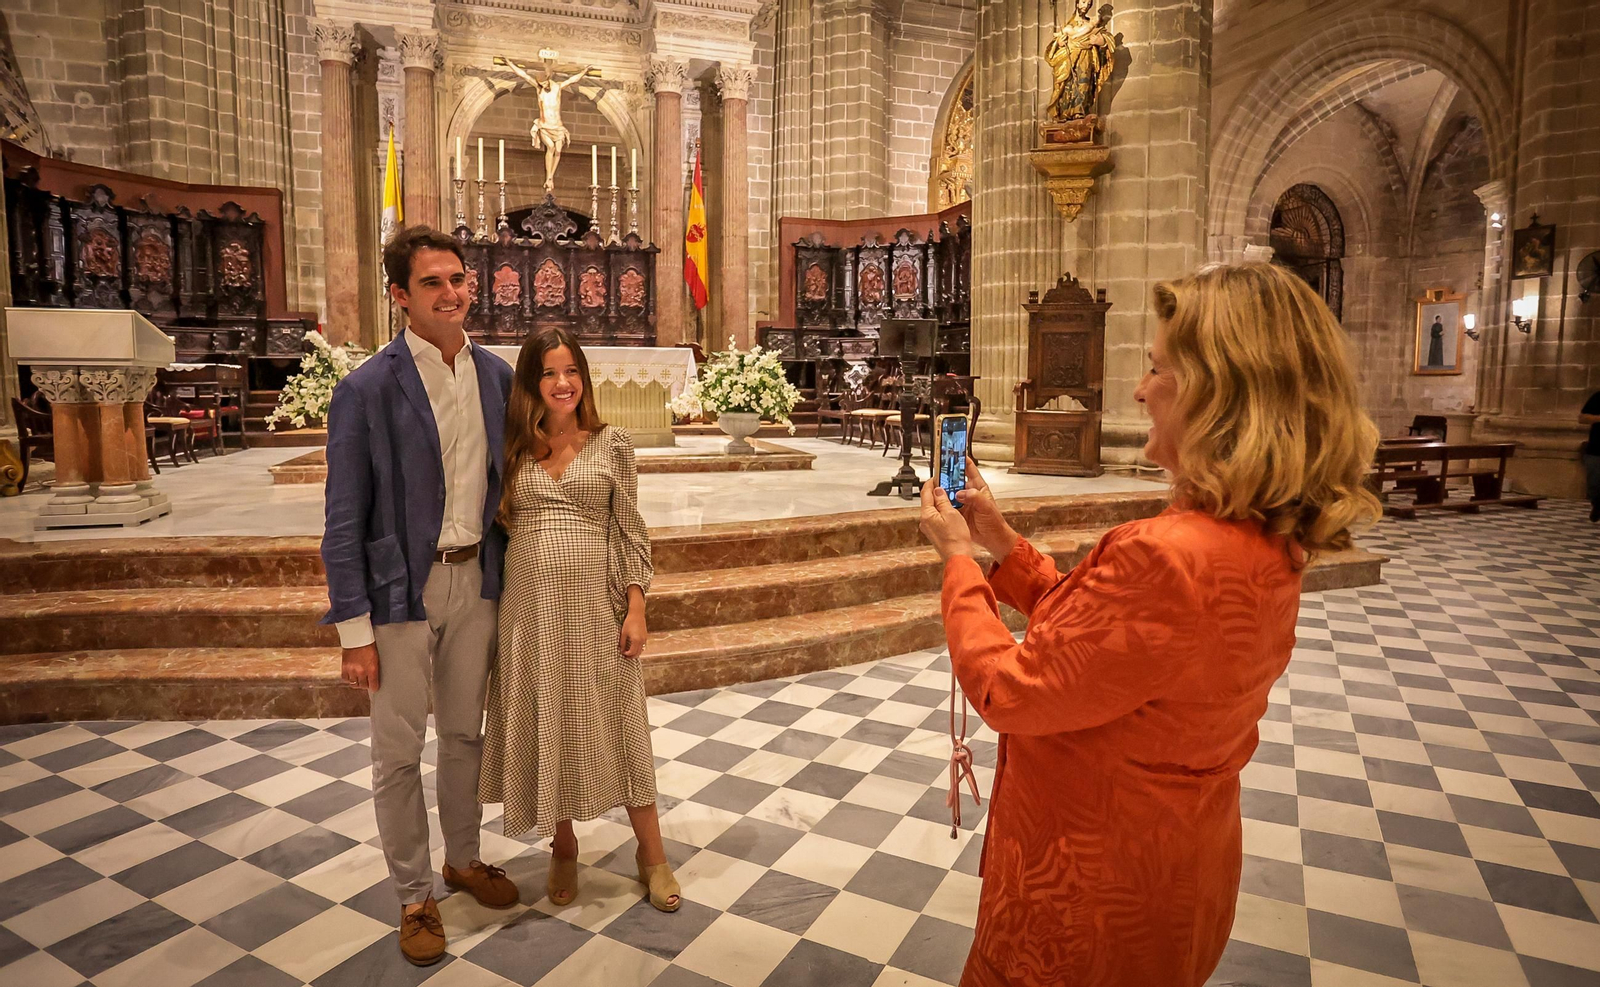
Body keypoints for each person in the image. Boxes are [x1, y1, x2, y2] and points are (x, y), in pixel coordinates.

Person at [918, 262, 1380, 987]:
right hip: (1178, 872)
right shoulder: (1266, 541)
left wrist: (957, 562)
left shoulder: (1165, 557)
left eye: (1158, 369)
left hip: (1089, 896)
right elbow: (1112, 648)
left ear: (1217, 393)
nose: (1138, 390)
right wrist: (1004, 545)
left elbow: (1009, 691)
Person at [321, 226, 520, 967]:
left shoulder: (497, 377)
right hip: (400, 588)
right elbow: (343, 518)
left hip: (477, 578)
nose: (452, 293)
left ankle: (462, 860)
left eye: (459, 279)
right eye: (433, 282)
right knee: (398, 751)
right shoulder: (367, 388)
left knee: (466, 733)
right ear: (400, 295)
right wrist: (353, 630)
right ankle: (413, 892)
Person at [478, 327, 681, 912]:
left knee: (620, 724)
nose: (562, 383)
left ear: (584, 378)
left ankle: (653, 855)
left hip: (596, 603)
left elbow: (629, 529)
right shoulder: (512, 449)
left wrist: (637, 605)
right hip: (530, 609)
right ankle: (562, 845)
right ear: (530, 383)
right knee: (551, 717)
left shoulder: (613, 443)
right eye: (548, 373)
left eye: (571, 371)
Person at [1581, 388, 1600, 522]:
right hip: (1597, 447)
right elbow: (1582, 418)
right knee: (1594, 483)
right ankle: (1597, 504)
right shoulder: (1599, 396)